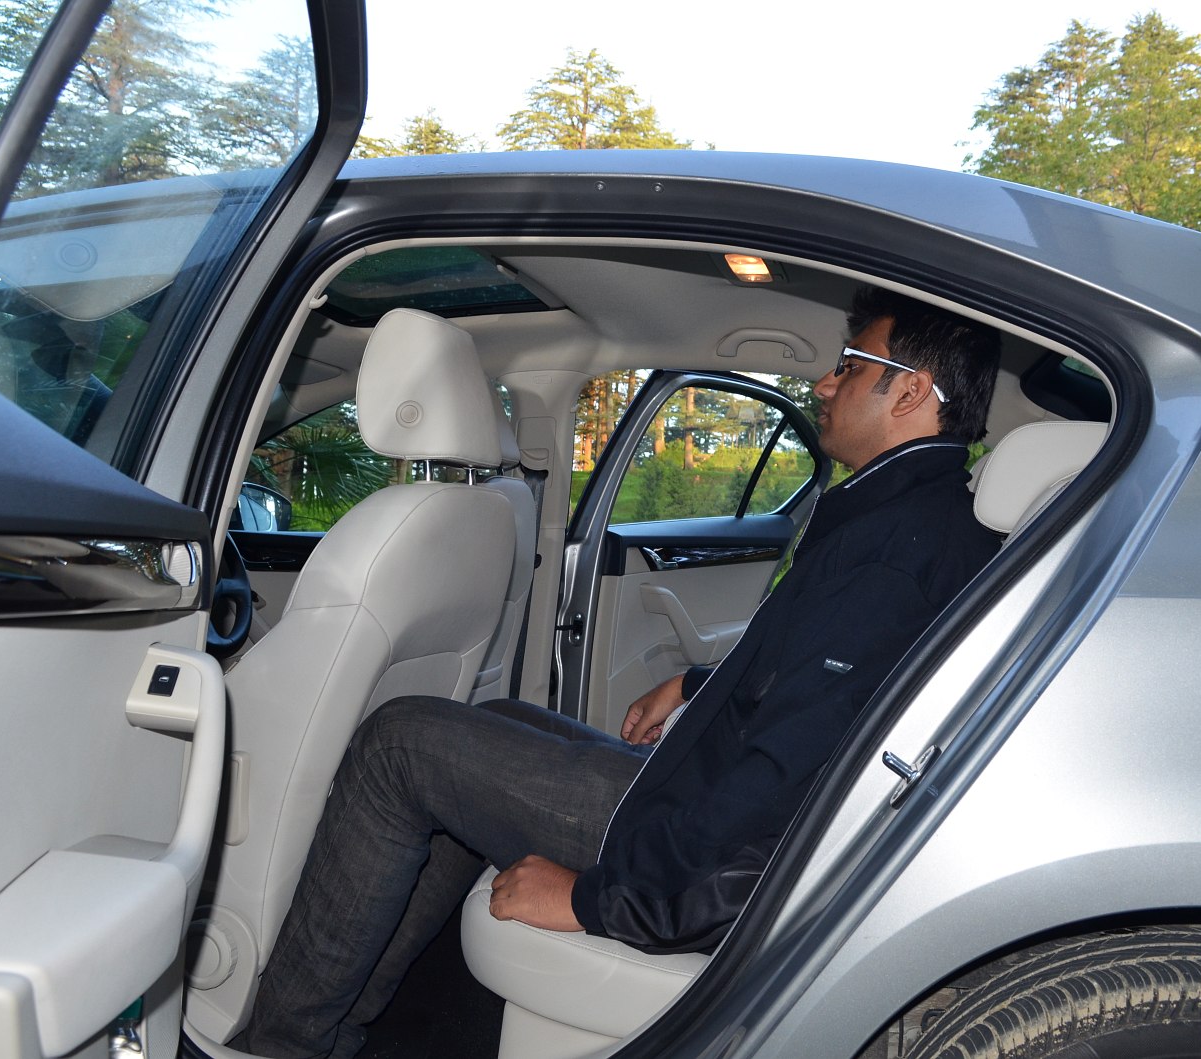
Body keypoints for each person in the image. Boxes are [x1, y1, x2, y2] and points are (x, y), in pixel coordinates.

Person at [232, 286, 1003, 1058]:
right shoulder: (908, 524)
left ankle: (284, 1043)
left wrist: (598, 900)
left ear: (911, 391)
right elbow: (817, 691)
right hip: (697, 796)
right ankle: (352, 1019)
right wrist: (697, 686)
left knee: (397, 744)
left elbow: (780, 781)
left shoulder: (895, 555)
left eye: (849, 365)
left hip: (693, 843)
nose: (825, 384)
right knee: (492, 721)